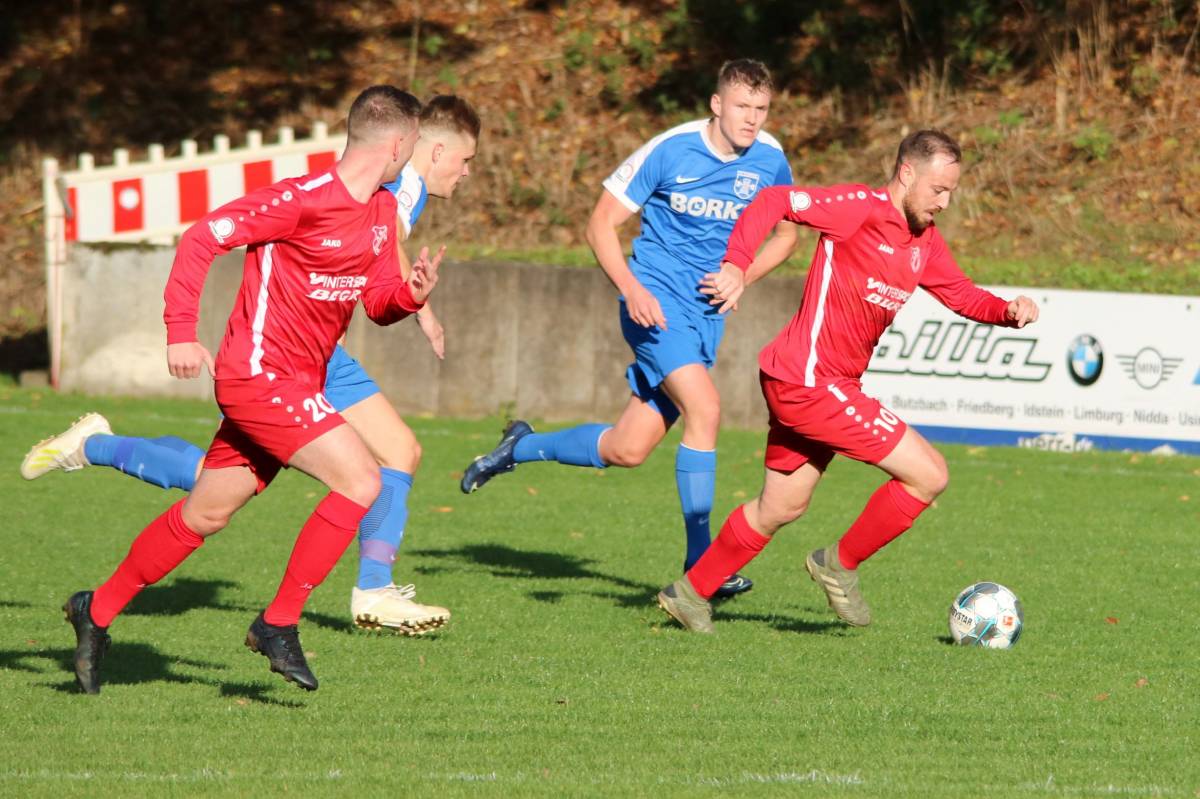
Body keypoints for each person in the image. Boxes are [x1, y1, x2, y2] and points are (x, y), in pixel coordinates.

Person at [25, 95, 481, 636]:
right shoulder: (388, 186)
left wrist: (411, 301)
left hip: (316, 354)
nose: (469, 172)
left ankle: (95, 598)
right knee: (365, 475)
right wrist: (181, 334)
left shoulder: (387, 198)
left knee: (211, 501)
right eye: (467, 160)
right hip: (276, 359)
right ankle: (336, 603)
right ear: (414, 146)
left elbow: (379, 275)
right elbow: (210, 238)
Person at [655, 129, 1040, 633]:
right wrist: (736, 263)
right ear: (907, 174)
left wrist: (1007, 311)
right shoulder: (857, 207)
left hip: (808, 381)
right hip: (811, 382)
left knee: (781, 505)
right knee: (929, 475)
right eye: (938, 190)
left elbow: (962, 295)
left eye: (950, 192)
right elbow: (774, 201)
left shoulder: (924, 243)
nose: (944, 202)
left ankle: (689, 593)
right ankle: (838, 564)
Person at [458, 59, 798, 598]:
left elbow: (786, 234)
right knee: (706, 410)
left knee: (626, 449)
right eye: (741, 107)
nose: (751, 119)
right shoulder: (670, 148)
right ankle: (702, 567)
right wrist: (632, 288)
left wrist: (743, 274)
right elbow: (599, 224)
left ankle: (517, 447)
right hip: (654, 307)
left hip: (706, 317)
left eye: (760, 109)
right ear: (716, 104)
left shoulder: (771, 160)